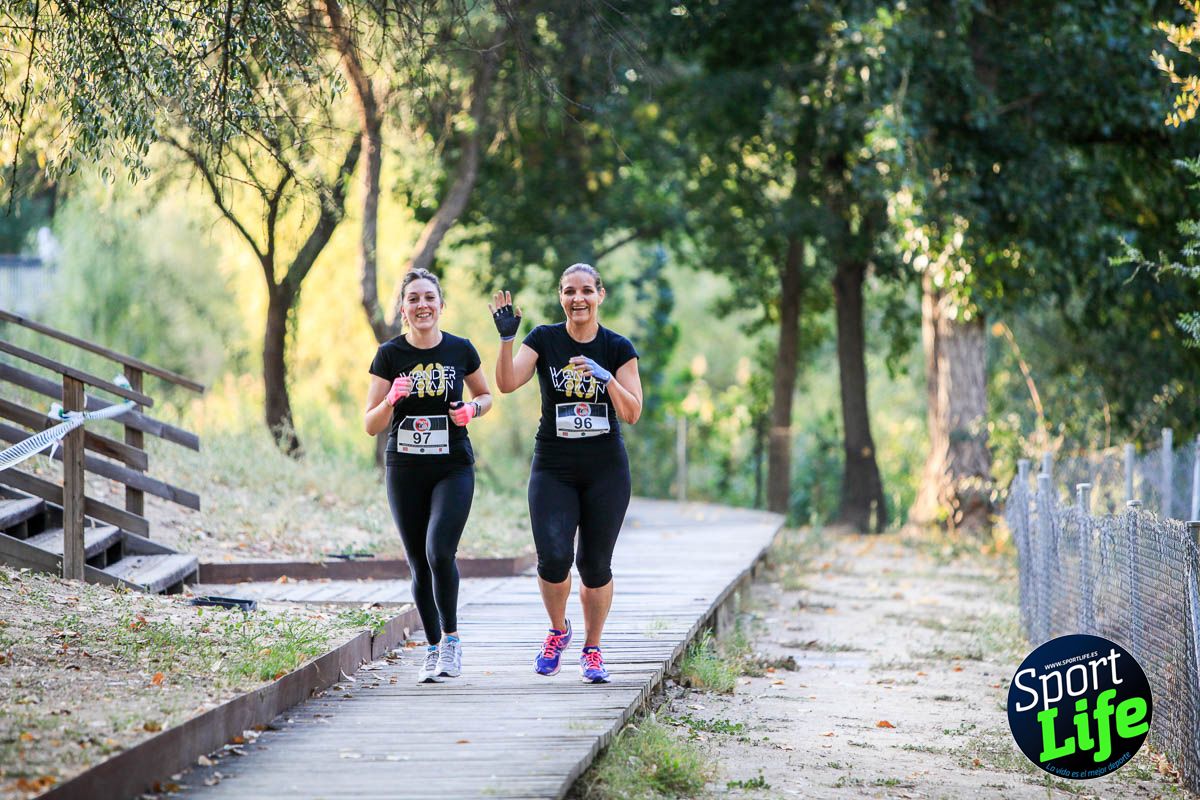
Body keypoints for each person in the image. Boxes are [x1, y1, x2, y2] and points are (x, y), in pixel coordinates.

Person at [490, 263, 643, 683]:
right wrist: (507, 340)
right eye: (570, 291)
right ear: (561, 296)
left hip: (605, 470)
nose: (578, 299)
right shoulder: (544, 339)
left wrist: (607, 377)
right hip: (554, 467)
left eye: (586, 291)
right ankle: (558, 631)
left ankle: (592, 649)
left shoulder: (617, 346)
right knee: (554, 557)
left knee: (595, 566)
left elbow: (632, 412)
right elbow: (506, 383)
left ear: (600, 295)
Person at [364, 268, 492, 683]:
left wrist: (471, 410)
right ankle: (433, 647)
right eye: (414, 298)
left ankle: (452, 643)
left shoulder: (461, 349)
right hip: (404, 468)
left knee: (440, 551)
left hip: (453, 465)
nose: (422, 305)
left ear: (441, 305)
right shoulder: (389, 355)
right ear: (403, 309)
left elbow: (485, 396)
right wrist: (390, 401)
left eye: (429, 298)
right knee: (418, 562)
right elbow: (369, 423)